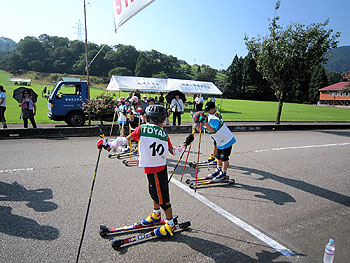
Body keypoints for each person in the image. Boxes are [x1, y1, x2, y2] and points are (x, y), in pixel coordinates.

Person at [98, 105, 194, 237]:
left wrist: (108, 145)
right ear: (162, 120)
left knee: (162, 199)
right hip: (158, 169)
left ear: (147, 117)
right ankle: (156, 214)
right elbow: (174, 152)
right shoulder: (164, 134)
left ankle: (170, 224)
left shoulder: (142, 128)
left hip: (154, 170)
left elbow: (125, 140)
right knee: (155, 193)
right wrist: (185, 144)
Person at [193, 102, 236, 182]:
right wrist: (197, 127)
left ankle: (223, 173)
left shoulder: (213, 119)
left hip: (227, 140)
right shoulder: (206, 120)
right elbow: (203, 130)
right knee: (218, 155)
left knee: (224, 157)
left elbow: (212, 130)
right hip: (220, 140)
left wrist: (204, 123)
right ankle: (218, 170)